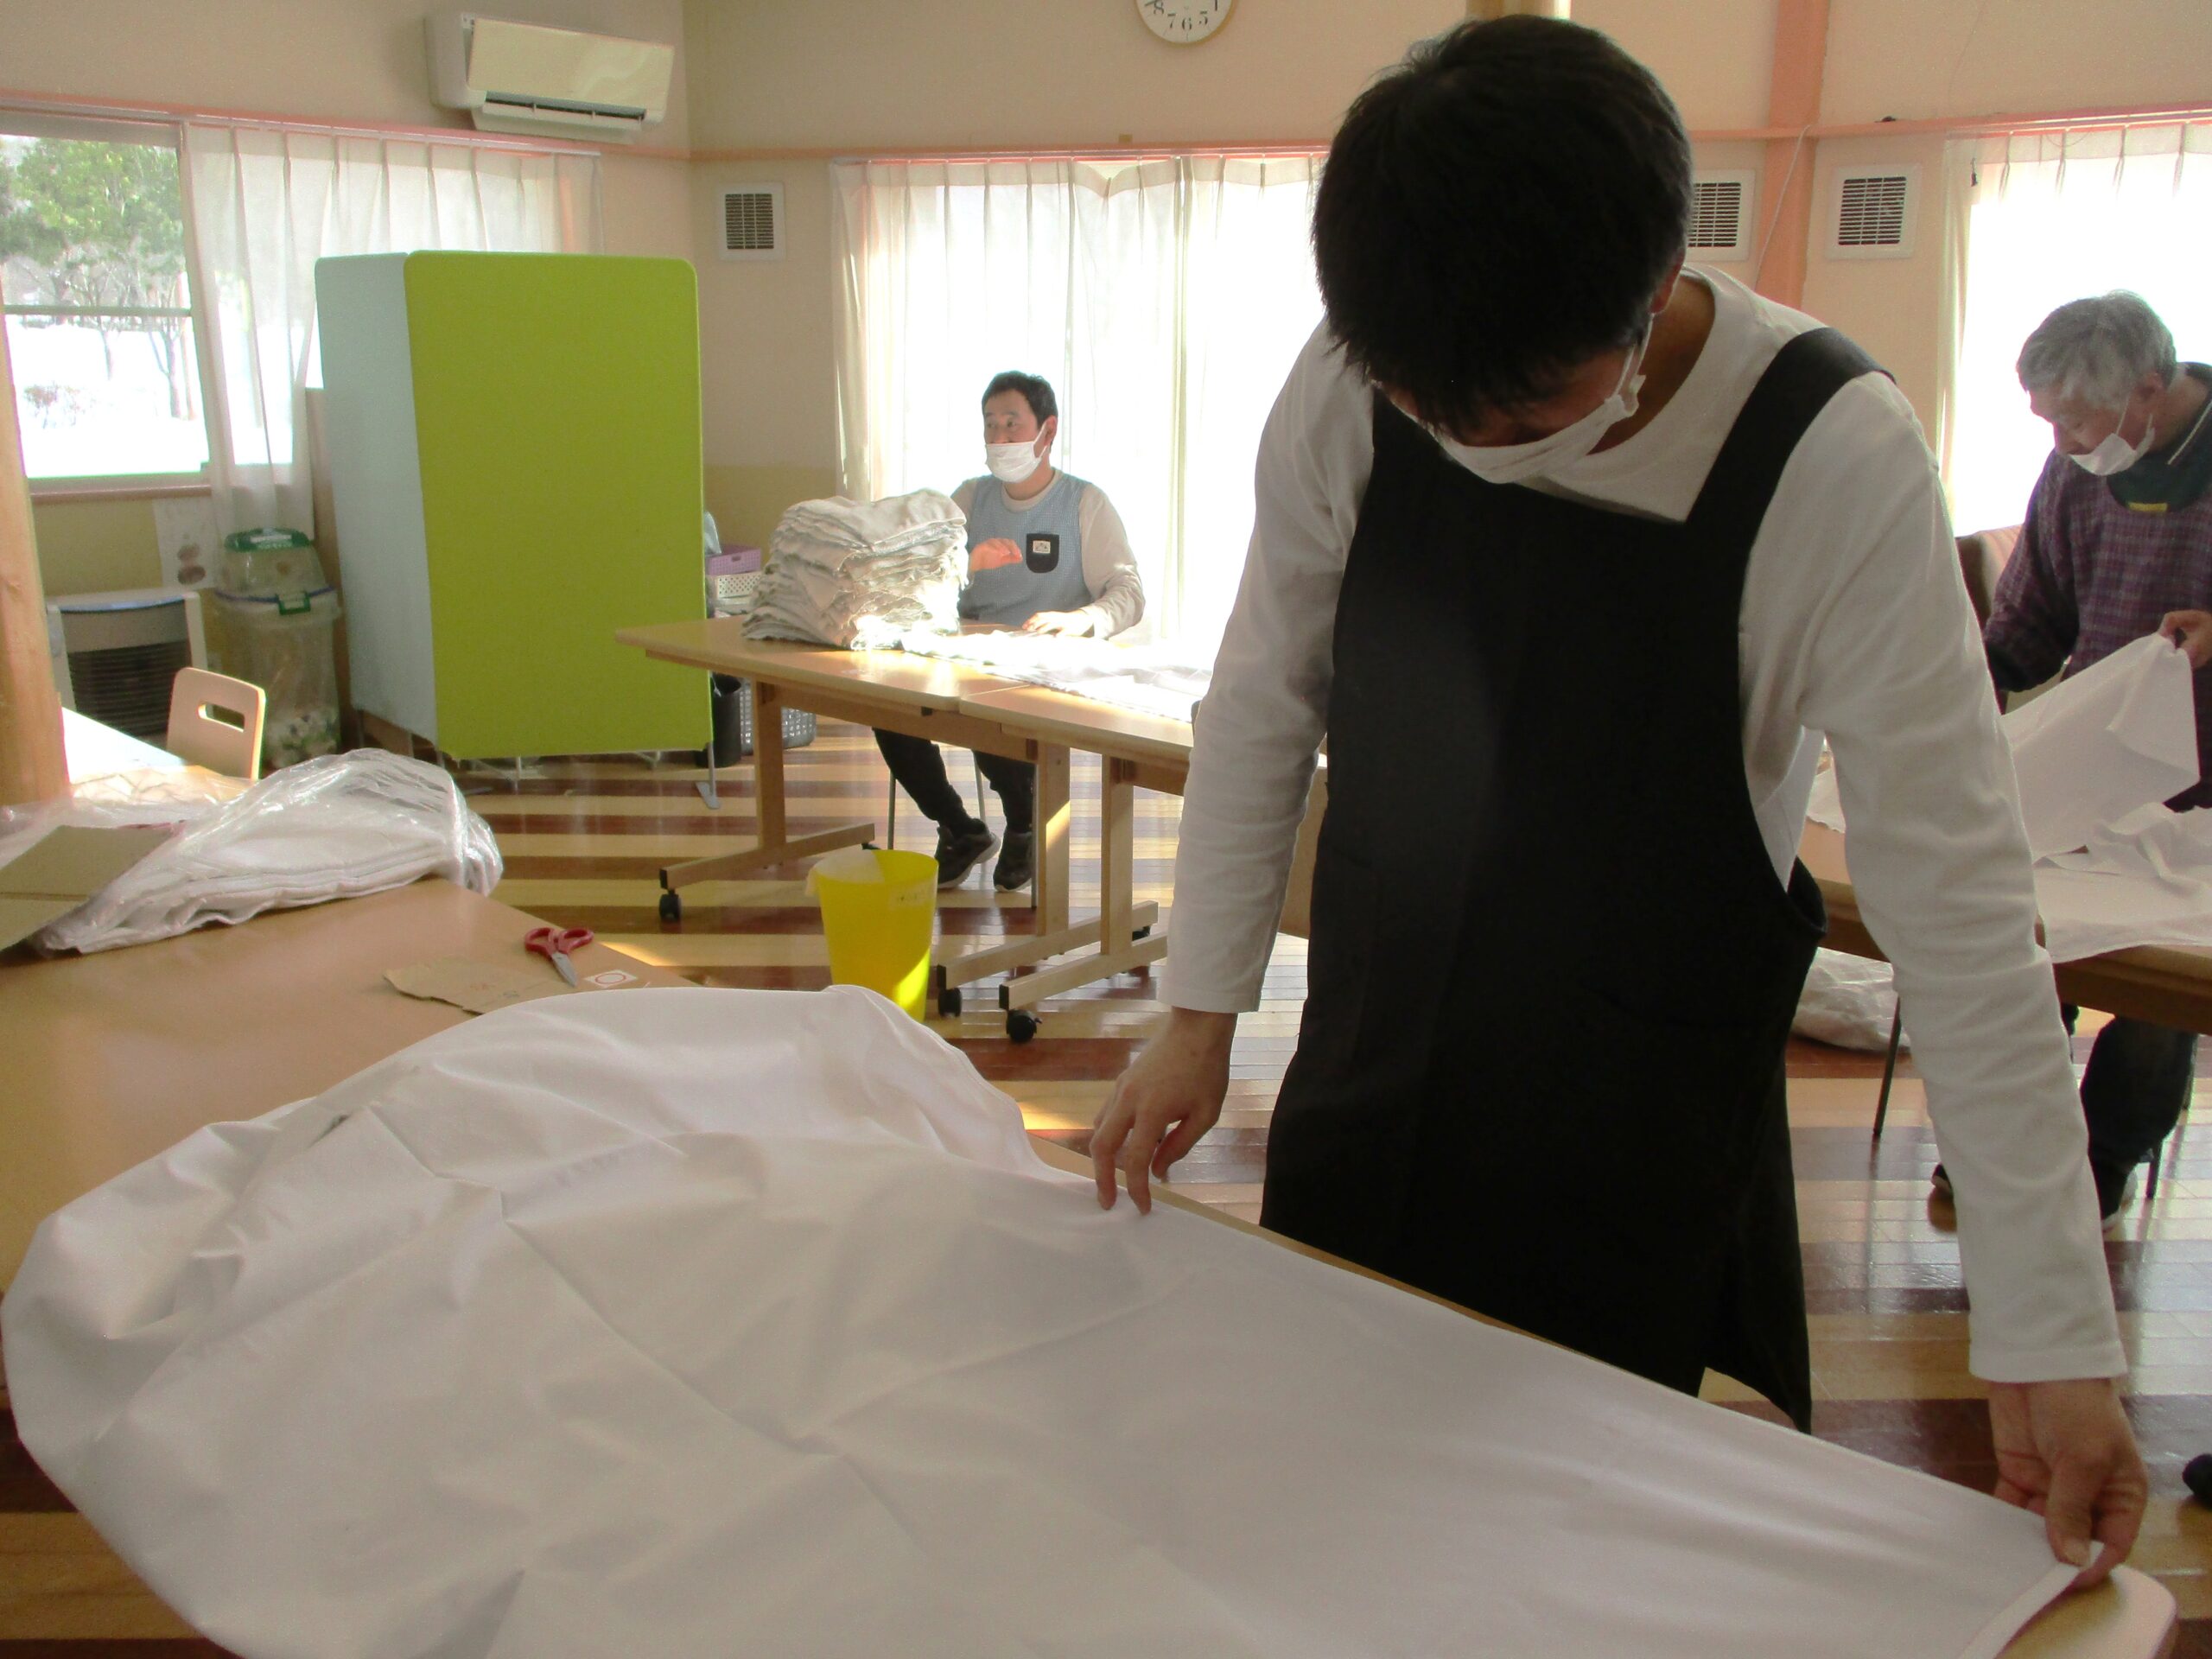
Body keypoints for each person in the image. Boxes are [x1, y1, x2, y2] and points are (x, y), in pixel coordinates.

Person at [1088, 16, 2144, 1586]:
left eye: (1521, 419)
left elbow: (1963, 906)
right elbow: (1260, 702)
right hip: (1378, 1049)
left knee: (1578, 1551)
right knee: (1329, 1500)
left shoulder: (1830, 457)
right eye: (1432, 412)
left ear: (1652, 295)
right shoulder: (1351, 379)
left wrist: (2050, 1329)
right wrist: (1197, 1013)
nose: (1471, 449)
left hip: (1638, 1103)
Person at [1961, 292, 2212, 1225]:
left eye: (2076, 419)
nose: (2062, 441)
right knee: (2025, 950)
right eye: (2048, 421)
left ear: (2148, 389)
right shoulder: (2073, 474)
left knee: (2153, 990)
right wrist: (1963, 686)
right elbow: (2030, 622)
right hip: (2093, 772)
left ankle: (2101, 1161)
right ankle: (2012, 1147)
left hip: (2199, 802)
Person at [876, 371, 1144, 888]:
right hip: (964, 652)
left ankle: (1023, 826)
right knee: (887, 709)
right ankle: (959, 827)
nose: (999, 437)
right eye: (990, 425)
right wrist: (967, 561)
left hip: (1041, 666)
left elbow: (1128, 593)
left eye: (1011, 424)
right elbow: (917, 573)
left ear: (1048, 431)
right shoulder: (971, 499)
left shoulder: (1084, 503)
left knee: (993, 713)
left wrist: (1083, 619)